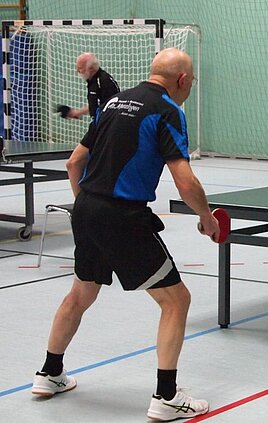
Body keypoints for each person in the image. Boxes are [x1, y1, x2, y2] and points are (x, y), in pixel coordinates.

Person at [31, 48, 217, 421]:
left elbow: (74, 162)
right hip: (123, 217)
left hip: (85, 208)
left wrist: (89, 208)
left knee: (80, 294)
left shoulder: (115, 102)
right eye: (191, 82)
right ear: (182, 80)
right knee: (176, 300)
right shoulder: (167, 111)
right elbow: (185, 181)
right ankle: (166, 397)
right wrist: (206, 217)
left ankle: (49, 373)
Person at [65, 52, 120, 121]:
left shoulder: (104, 81)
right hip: (98, 122)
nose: (77, 71)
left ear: (91, 69)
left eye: (80, 68)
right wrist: (77, 113)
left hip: (107, 123)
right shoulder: (92, 81)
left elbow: (112, 105)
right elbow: (96, 104)